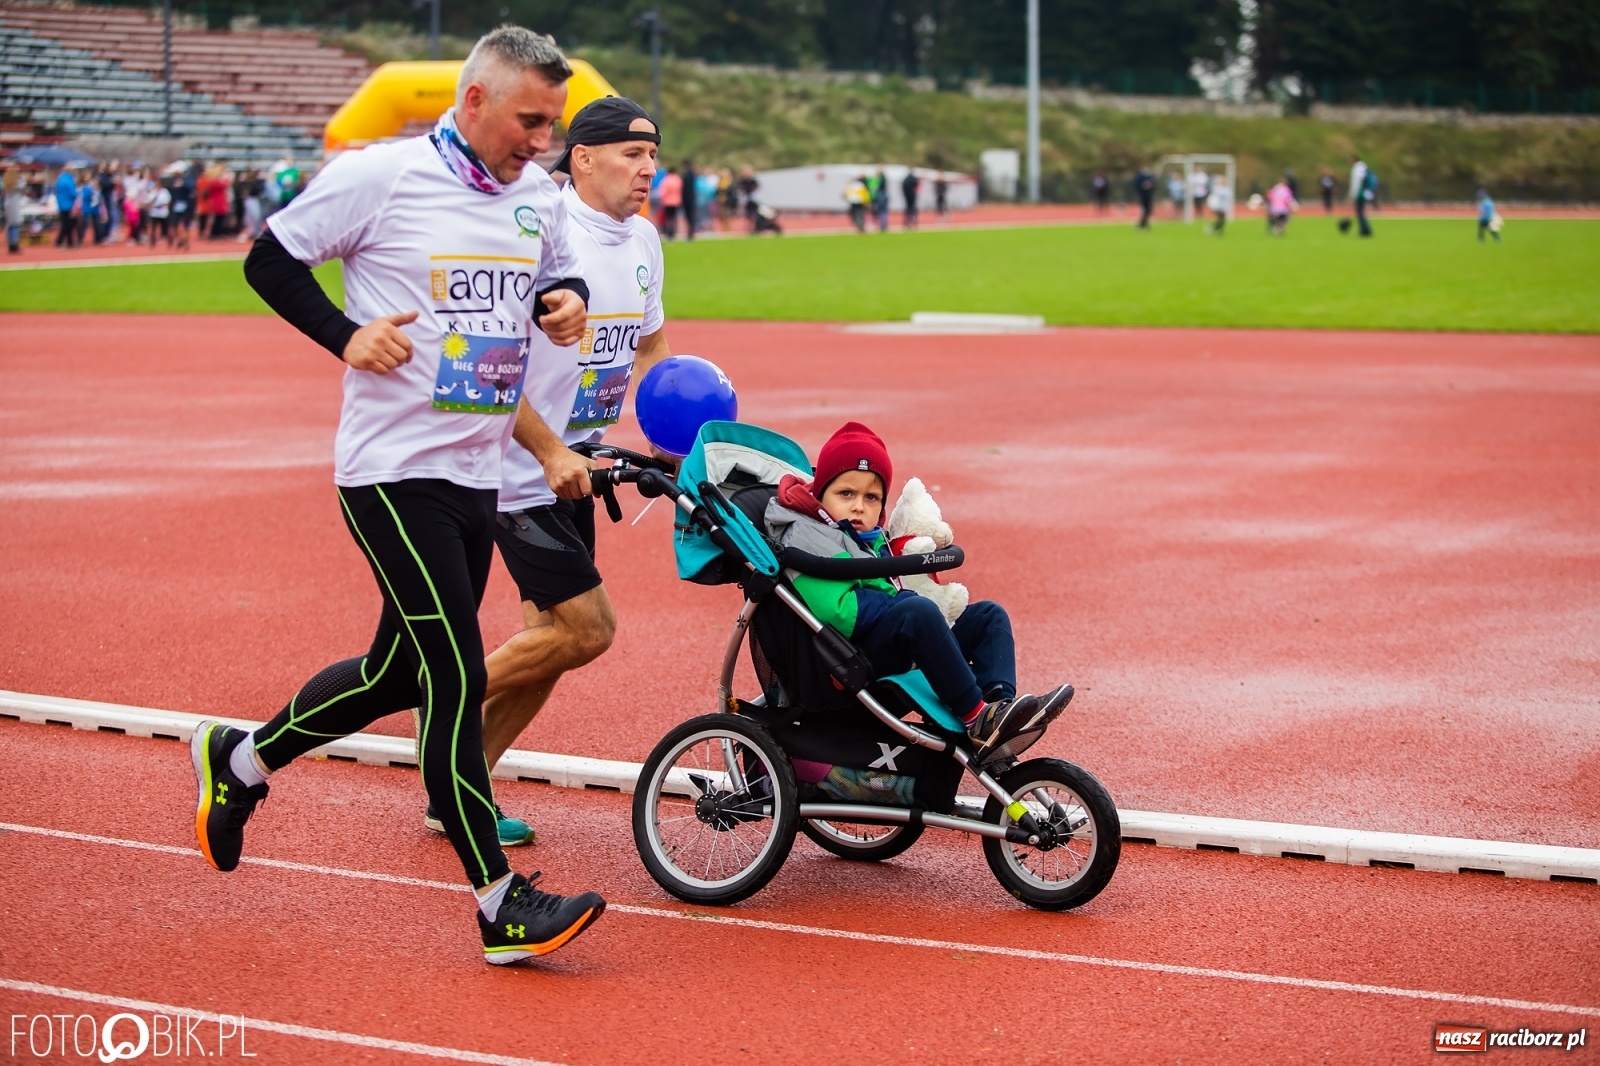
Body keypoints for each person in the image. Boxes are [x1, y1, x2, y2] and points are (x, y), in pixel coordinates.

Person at [196, 25, 605, 965]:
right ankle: (499, 902)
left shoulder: (534, 195)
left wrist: (568, 297)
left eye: (553, 123)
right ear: (472, 102)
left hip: (477, 466)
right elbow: (269, 258)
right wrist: (344, 336)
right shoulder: (380, 177)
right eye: (529, 120)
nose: (542, 141)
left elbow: (551, 273)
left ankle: (241, 762)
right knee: (455, 674)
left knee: (396, 675)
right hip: (391, 470)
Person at [461, 96, 672, 843]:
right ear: (582, 158)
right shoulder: (538, 234)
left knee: (547, 644)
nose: (648, 168)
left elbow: (646, 345)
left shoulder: (644, 240)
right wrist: (549, 449)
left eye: (653, 155)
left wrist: (668, 429)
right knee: (587, 629)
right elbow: (478, 367)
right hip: (515, 466)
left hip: (579, 467)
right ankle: (440, 698)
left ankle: (460, 788)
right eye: (631, 154)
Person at [763, 422, 1073, 763]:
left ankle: (996, 712)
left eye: (871, 497)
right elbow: (836, 611)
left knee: (988, 616)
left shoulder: (868, 537)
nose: (858, 507)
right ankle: (975, 717)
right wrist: (901, 604)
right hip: (850, 663)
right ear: (821, 493)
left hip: (891, 640)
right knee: (918, 613)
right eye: (846, 494)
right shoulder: (808, 535)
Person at [53, 167, 79, 248]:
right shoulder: (69, 180)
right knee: (69, 224)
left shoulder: (60, 179)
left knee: (65, 223)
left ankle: (68, 241)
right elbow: (73, 193)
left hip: (61, 204)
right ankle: (62, 241)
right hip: (69, 205)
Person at [1349, 153, 1373, 237]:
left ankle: (1364, 230)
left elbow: (1356, 182)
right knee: (1360, 211)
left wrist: (1352, 195)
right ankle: (1365, 230)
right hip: (1364, 191)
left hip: (1360, 192)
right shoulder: (1363, 167)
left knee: (1360, 212)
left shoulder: (1357, 168)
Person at [655, 164, 682, 240]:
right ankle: (674, 232)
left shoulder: (666, 180)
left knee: (668, 218)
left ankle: (668, 232)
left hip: (667, 202)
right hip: (676, 201)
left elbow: (663, 192)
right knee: (674, 217)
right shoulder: (678, 179)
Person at [3, 163, 25, 253]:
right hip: (14, 204)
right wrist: (21, 177)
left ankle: (10, 244)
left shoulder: (6, 181)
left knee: (10, 225)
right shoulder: (17, 182)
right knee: (15, 225)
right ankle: (14, 244)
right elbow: (23, 186)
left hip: (8, 204)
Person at [680, 157, 697, 240]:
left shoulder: (688, 175)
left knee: (690, 216)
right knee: (689, 216)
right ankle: (690, 231)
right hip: (689, 197)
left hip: (688, 198)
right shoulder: (691, 174)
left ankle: (691, 232)